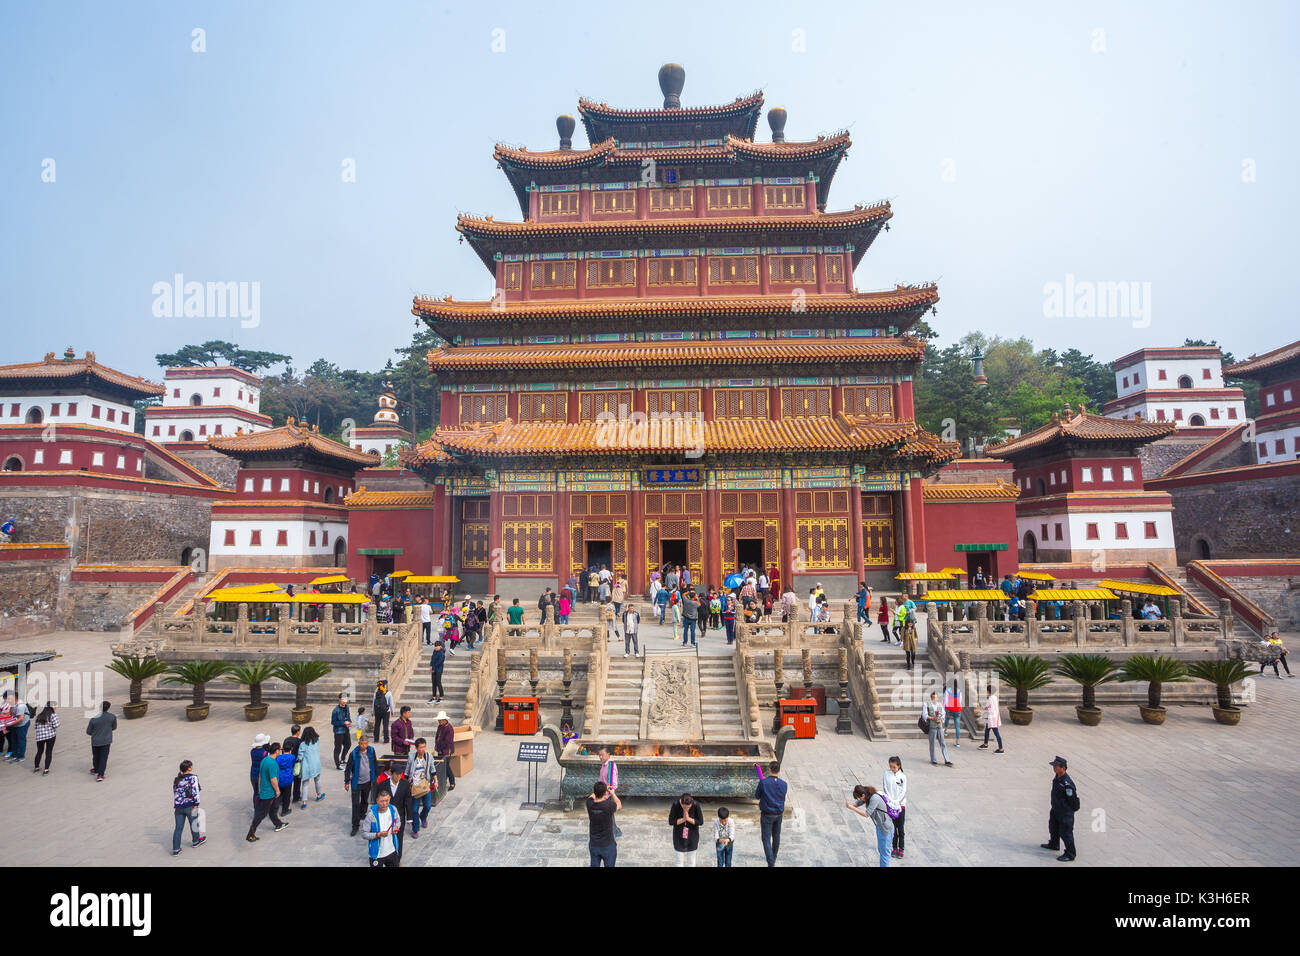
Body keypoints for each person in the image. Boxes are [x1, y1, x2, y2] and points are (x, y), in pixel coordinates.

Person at [246, 742, 288, 841]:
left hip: (265, 790)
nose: (281, 752)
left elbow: (260, 775)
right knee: (261, 814)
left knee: (273, 809)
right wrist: (277, 790)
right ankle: (250, 834)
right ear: (277, 751)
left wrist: (260, 788)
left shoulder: (265, 760)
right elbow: (273, 779)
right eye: (280, 750)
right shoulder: (272, 763)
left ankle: (278, 824)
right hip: (269, 793)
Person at [1042, 755, 1079, 861]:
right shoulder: (1057, 777)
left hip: (1064, 812)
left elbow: (1073, 800)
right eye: (1054, 766)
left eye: (1056, 766)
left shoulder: (1067, 783)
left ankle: (1070, 853)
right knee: (1053, 827)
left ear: (1063, 768)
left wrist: (1068, 811)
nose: (1054, 768)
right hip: (1056, 809)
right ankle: (1054, 843)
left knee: (1066, 833)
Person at [848, 784, 894, 867]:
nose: (860, 800)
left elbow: (866, 814)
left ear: (863, 795)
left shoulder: (874, 798)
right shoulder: (867, 794)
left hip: (886, 828)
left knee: (885, 854)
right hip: (880, 827)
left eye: (859, 797)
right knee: (882, 850)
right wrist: (852, 805)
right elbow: (860, 801)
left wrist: (852, 808)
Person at [344, 734, 378, 836]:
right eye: (362, 744)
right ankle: (355, 826)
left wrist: (375, 777)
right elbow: (348, 769)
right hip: (356, 783)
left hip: (367, 781)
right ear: (359, 743)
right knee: (355, 804)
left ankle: (362, 814)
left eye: (366, 744)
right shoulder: (354, 754)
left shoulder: (371, 751)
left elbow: (375, 764)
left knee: (365, 800)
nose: (364, 746)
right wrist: (346, 782)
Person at [756, 761, 787, 867]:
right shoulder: (784, 784)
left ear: (769, 769)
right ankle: (773, 857)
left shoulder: (764, 783)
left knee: (766, 838)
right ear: (779, 770)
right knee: (776, 836)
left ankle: (771, 862)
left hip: (767, 814)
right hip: (779, 814)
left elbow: (757, 796)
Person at [171, 760, 206, 856]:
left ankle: (176, 849)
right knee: (194, 824)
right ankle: (196, 841)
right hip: (189, 805)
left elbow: (176, 793)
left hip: (178, 807)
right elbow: (195, 791)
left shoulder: (177, 779)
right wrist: (196, 804)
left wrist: (178, 804)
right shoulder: (193, 777)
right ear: (189, 768)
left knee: (178, 828)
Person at [586, 779, 621, 867]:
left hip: (594, 844)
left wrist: (602, 790)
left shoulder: (589, 804)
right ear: (605, 793)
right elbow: (619, 805)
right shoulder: (609, 806)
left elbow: (591, 796)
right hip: (607, 845)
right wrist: (612, 793)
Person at [406, 738, 435, 838]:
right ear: (416, 748)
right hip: (414, 786)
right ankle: (415, 829)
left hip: (425, 784)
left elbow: (432, 769)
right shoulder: (411, 757)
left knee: (427, 806)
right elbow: (407, 771)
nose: (423, 749)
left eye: (424, 747)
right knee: (414, 809)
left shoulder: (429, 756)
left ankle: (423, 816)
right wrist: (406, 785)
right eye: (421, 747)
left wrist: (436, 780)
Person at [366, 788, 402, 867]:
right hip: (377, 854)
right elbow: (364, 834)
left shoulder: (393, 809)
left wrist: (396, 827)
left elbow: (398, 821)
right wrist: (378, 835)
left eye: (387, 801)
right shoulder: (371, 815)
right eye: (382, 801)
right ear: (377, 801)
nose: (384, 804)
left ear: (389, 799)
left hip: (391, 851)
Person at [669, 792, 705, 866]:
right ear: (681, 803)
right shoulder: (676, 804)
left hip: (692, 835)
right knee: (679, 860)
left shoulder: (696, 804)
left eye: (688, 807)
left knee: (691, 861)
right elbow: (671, 821)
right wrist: (683, 819)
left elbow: (701, 822)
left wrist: (688, 819)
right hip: (678, 835)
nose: (686, 809)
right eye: (684, 807)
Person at [882, 756, 907, 859]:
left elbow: (903, 791)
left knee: (900, 828)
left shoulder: (903, 777)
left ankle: (901, 848)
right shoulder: (886, 774)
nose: (892, 769)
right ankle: (894, 848)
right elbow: (885, 787)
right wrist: (890, 801)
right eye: (890, 767)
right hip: (890, 804)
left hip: (900, 805)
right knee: (892, 828)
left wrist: (897, 802)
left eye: (894, 767)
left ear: (899, 766)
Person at [86, 700, 116, 781]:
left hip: (95, 741)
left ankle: (96, 769)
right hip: (106, 741)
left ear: (100, 707)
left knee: (96, 756)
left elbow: (88, 731)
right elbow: (114, 727)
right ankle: (100, 774)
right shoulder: (112, 717)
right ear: (108, 708)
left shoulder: (93, 719)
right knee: (103, 757)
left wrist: (95, 734)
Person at [298, 726, 325, 807]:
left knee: (305, 784)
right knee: (317, 780)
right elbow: (318, 737)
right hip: (316, 765)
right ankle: (319, 795)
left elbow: (300, 757)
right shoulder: (317, 741)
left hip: (307, 767)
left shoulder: (303, 744)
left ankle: (304, 802)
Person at [923, 692, 952, 766]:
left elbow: (943, 714)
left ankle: (947, 760)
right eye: (933, 698)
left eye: (935, 698)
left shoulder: (940, 704)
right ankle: (933, 759)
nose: (934, 699)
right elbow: (925, 716)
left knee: (943, 743)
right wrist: (933, 718)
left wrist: (941, 719)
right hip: (932, 726)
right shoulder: (926, 705)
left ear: (937, 698)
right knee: (932, 743)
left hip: (939, 726)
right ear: (931, 698)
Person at [32, 701, 58, 774]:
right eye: (54, 706)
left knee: (39, 752)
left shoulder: (39, 715)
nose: (55, 707)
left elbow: (35, 726)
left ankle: (36, 767)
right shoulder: (53, 715)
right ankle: (46, 769)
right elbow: (56, 725)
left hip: (40, 737)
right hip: (51, 736)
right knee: (48, 752)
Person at [434, 711, 456, 792]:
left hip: (446, 751)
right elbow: (437, 737)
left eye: (440, 720)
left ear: (444, 720)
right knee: (442, 767)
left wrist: (440, 748)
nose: (439, 721)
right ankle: (444, 781)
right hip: (440, 750)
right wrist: (437, 745)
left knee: (446, 767)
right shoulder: (440, 726)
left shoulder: (449, 728)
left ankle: (452, 782)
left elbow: (447, 741)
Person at [274, 741, 297, 816]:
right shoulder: (292, 757)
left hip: (280, 778)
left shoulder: (278, 758)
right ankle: (285, 810)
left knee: (279, 794)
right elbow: (293, 764)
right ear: (291, 749)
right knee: (287, 795)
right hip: (288, 778)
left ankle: (275, 809)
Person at [980, 684, 1004, 752]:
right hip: (995, 717)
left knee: (996, 733)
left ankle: (1001, 748)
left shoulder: (990, 699)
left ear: (988, 691)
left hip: (991, 718)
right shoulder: (995, 697)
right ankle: (985, 744)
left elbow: (986, 706)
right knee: (987, 731)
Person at [330, 694, 352, 770]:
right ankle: (337, 764)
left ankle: (342, 759)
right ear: (339, 700)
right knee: (338, 748)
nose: (344, 701)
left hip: (346, 730)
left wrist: (349, 722)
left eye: (345, 699)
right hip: (338, 732)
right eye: (343, 699)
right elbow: (333, 722)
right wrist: (343, 723)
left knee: (348, 744)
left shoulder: (347, 707)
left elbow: (348, 717)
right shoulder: (336, 710)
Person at [943, 680, 963, 747]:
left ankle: (945, 731)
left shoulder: (947, 690)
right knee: (957, 726)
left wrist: (944, 708)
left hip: (949, 708)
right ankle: (958, 742)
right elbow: (960, 701)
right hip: (957, 709)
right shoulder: (959, 691)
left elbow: (945, 700)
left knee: (947, 719)